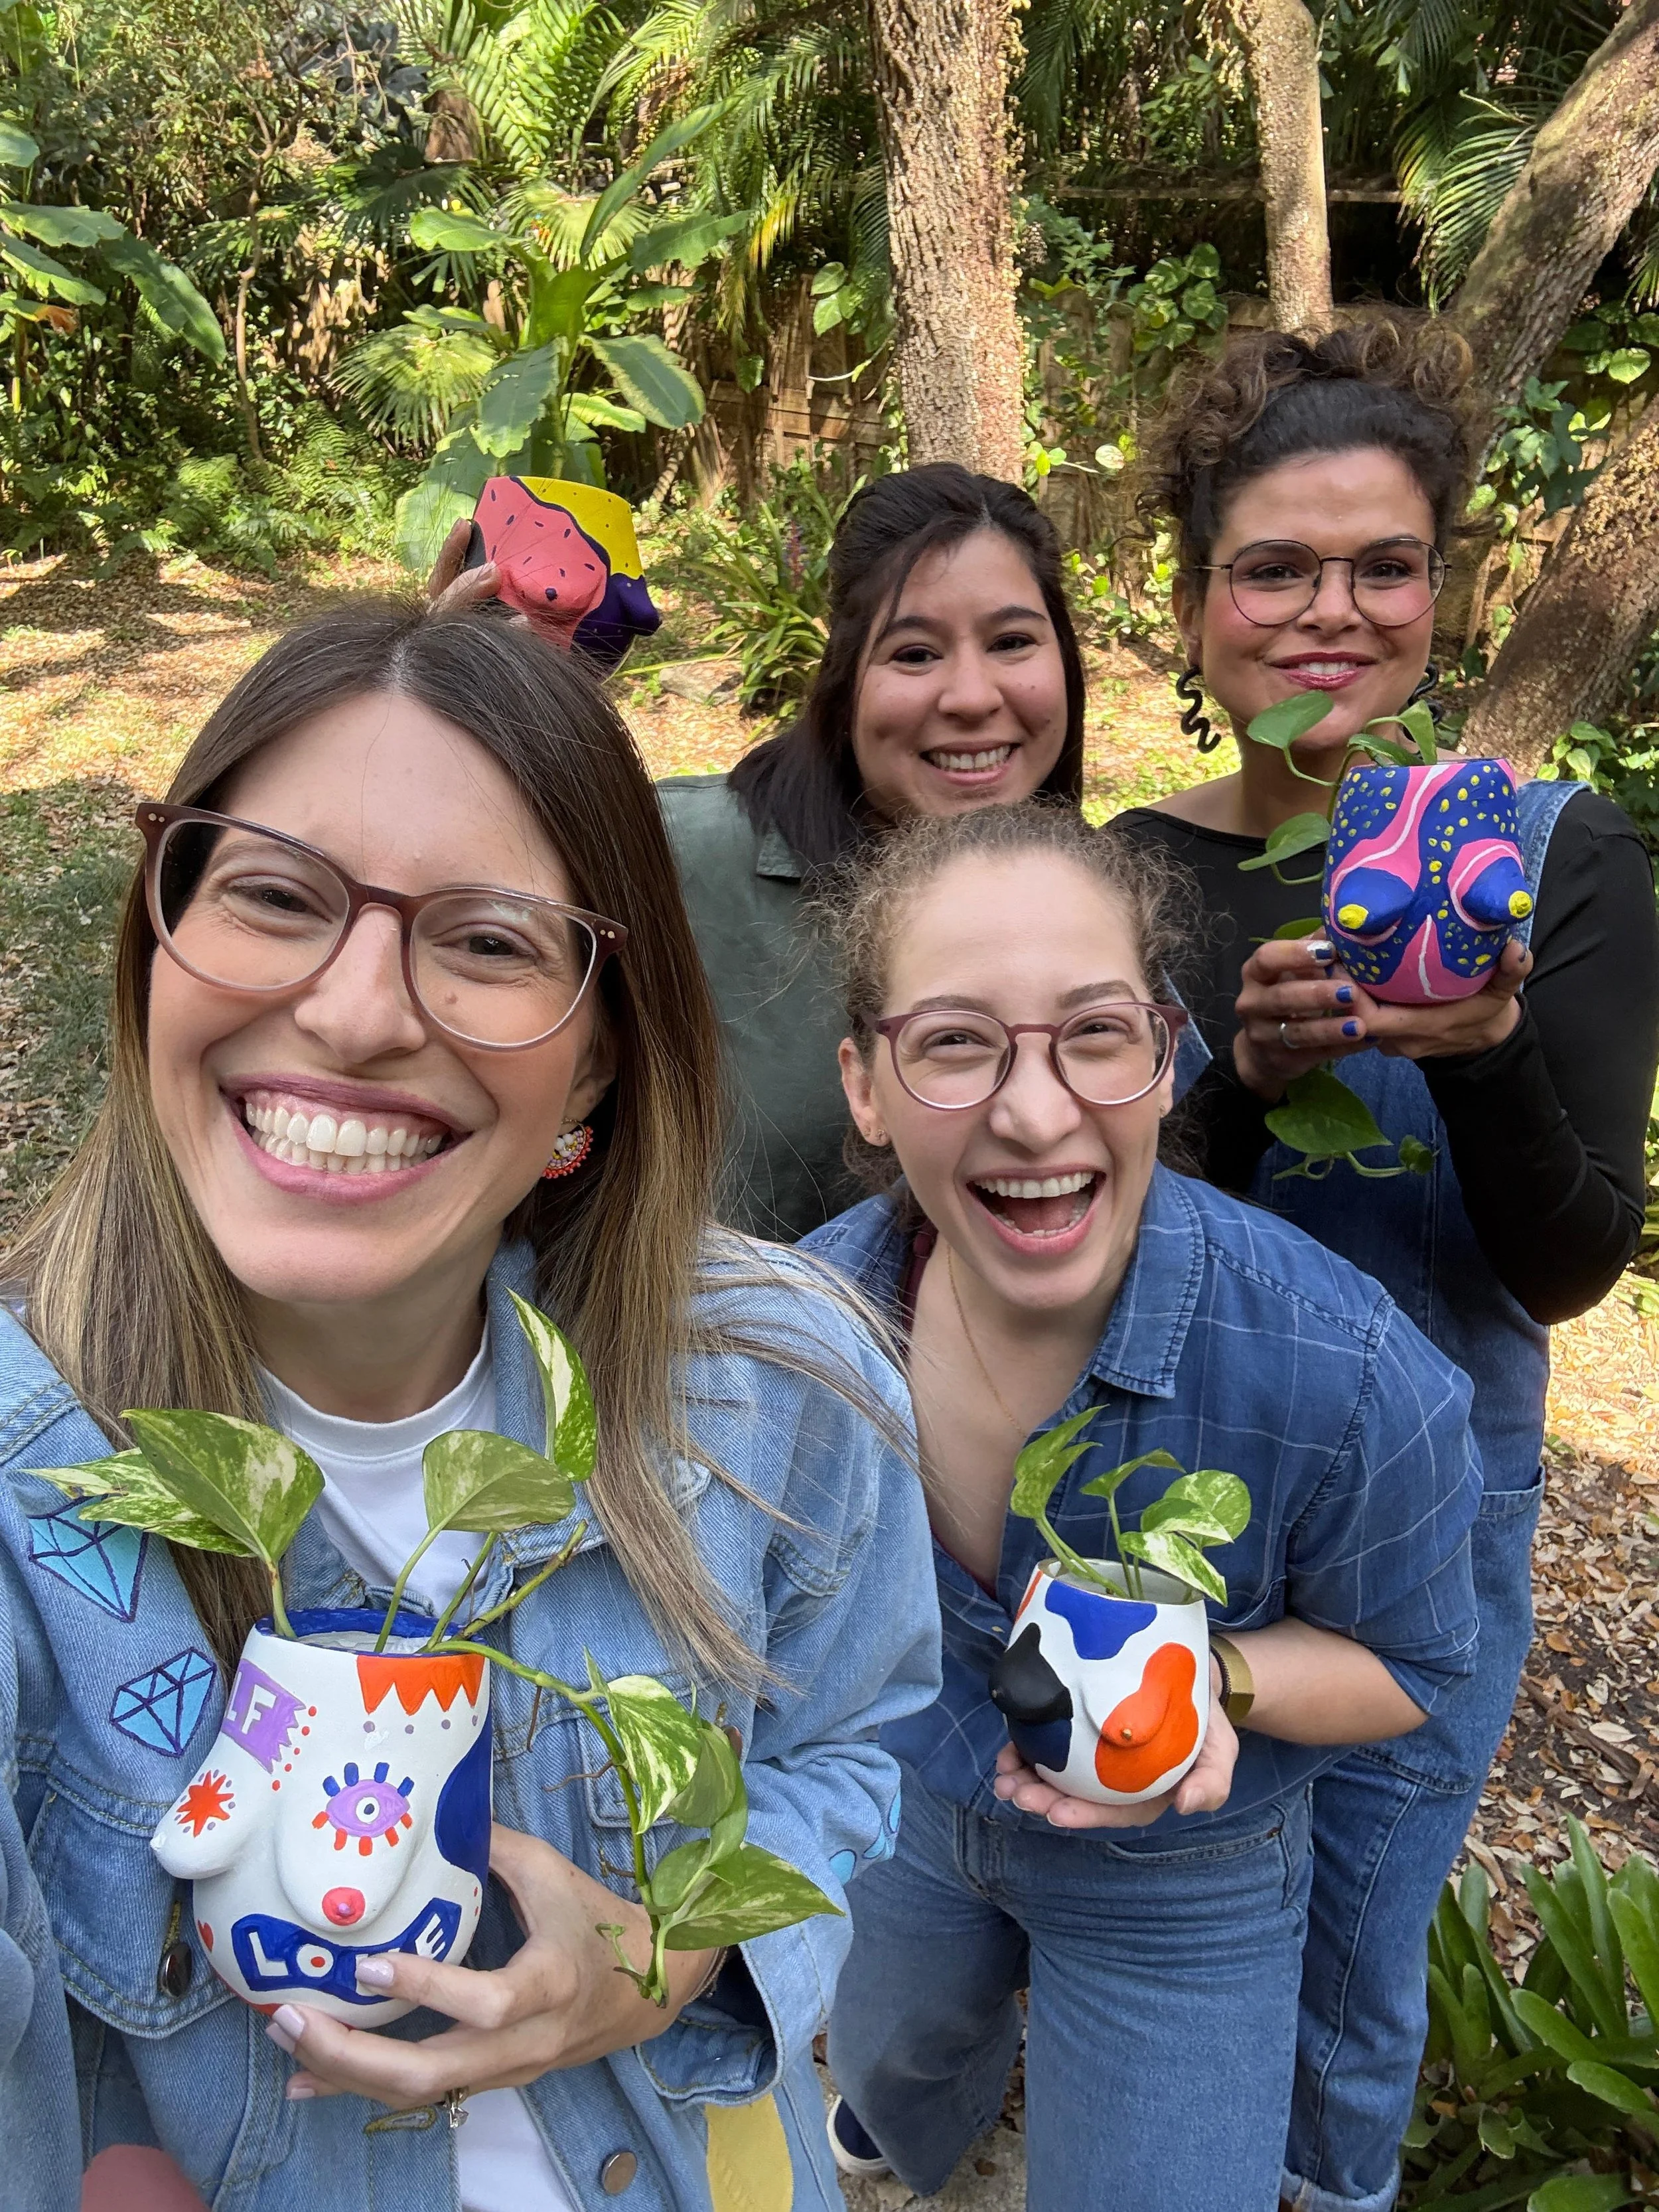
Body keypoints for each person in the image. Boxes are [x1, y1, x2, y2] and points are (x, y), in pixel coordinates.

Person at [0, 605, 940, 2212]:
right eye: (275, 896)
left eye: (489, 939)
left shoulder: (788, 1391)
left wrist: (674, 1955)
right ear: (152, 946)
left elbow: (848, 1746)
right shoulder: (38, 1476)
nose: (361, 1012)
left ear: (592, 1072)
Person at [1112, 321, 1659, 2212]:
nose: (1324, 612)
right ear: (1192, 602)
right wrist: (1246, 1090)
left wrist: (1487, 1051)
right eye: (1270, 565)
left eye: (1381, 564)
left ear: (1447, 585)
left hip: (1423, 1532)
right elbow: (1075, 1230)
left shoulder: (1554, 860)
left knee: (1358, 1943)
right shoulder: (1126, 879)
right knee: (1156, 1889)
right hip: (1154, 1499)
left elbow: (1575, 1262)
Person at [798, 803, 1484, 2212]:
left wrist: (1217, 1674)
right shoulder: (800, 1330)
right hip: (908, 1805)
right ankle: (911, 2133)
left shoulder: (1340, 1374)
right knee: (889, 2061)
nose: (1034, 1108)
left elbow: (1412, 1665)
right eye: (951, 1041)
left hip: (1190, 1871)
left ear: (1164, 1053)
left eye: (1092, 1032)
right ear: (863, 1084)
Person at [432, 463, 1088, 1241]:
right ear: (844, 679)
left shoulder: (1095, 910)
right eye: (914, 654)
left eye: (1012, 642)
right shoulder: (675, 862)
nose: (972, 696)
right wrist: (439, 717)